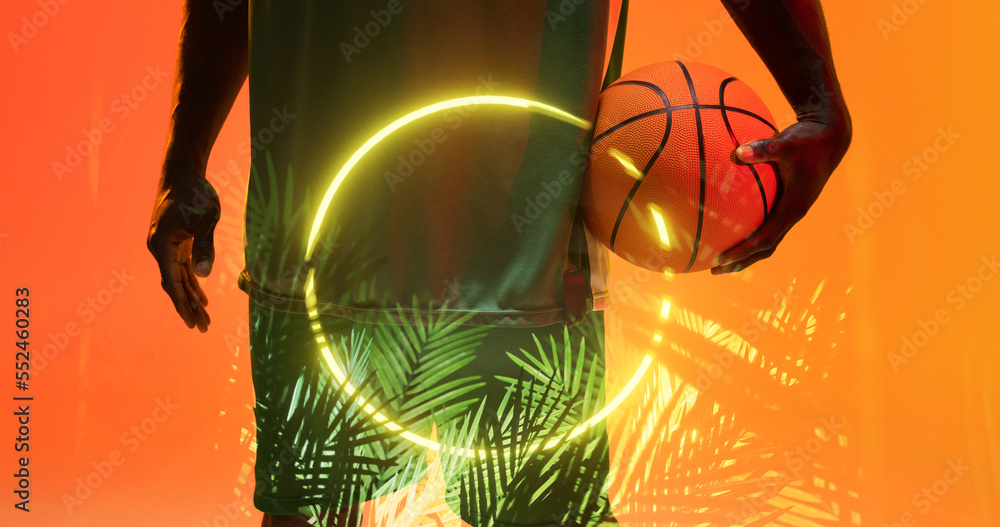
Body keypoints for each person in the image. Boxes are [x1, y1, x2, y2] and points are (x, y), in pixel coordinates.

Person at [146, 1, 851, 525]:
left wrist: (818, 93)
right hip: (359, 224)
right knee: (309, 509)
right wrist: (183, 161)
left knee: (536, 513)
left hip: (506, 226)